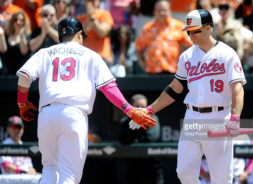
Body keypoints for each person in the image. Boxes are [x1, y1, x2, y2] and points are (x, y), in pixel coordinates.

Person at [15, 17, 156, 184]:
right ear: (80, 34)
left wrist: (22, 103)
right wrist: (130, 110)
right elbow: (108, 87)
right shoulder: (91, 55)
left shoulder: (45, 52)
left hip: (47, 114)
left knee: (50, 168)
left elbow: (24, 76)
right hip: (74, 114)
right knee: (69, 174)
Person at [131, 9, 246, 183]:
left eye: (196, 30)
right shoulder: (187, 56)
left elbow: (237, 88)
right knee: (184, 172)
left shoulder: (227, 54)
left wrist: (235, 118)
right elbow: (175, 88)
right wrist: (148, 110)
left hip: (219, 116)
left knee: (221, 178)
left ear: (209, 28)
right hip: (192, 116)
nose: (192, 34)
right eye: (189, 31)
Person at [135, 0, 192, 74]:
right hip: (151, 73)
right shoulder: (147, 28)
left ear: (170, 11)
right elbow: (138, 47)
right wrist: (142, 64)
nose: (161, 13)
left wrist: (186, 64)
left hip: (174, 73)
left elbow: (191, 46)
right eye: (159, 10)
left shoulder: (179, 26)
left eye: (164, 10)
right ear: (154, 12)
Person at [119, 94, 163, 184]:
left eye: (143, 106)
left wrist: (134, 140)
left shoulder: (153, 118)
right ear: (132, 107)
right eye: (137, 106)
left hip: (151, 165)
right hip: (132, 166)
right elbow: (123, 139)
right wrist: (135, 121)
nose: (140, 108)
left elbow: (152, 138)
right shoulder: (125, 121)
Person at [77, 0, 114, 66]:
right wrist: (88, 18)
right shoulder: (80, 18)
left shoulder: (105, 14)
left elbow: (102, 33)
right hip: (84, 58)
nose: (91, 2)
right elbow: (79, 37)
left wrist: (92, 17)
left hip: (102, 57)